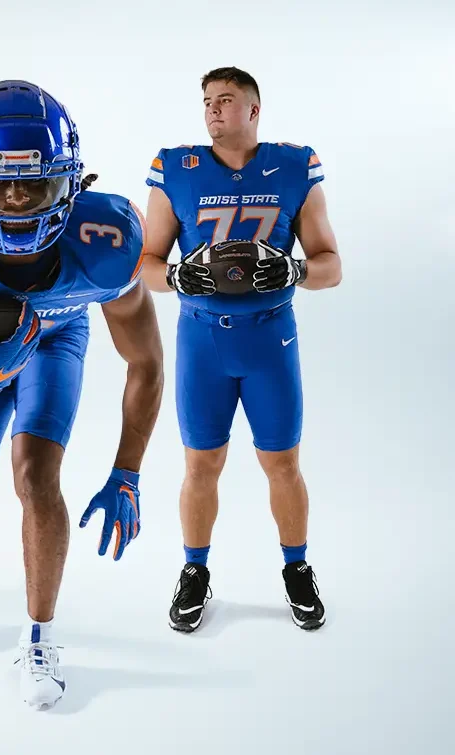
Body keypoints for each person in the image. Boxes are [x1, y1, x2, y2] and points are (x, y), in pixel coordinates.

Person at [0, 80, 164, 709]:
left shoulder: (108, 239)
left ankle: (39, 635)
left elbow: (145, 361)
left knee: (36, 476)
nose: (15, 199)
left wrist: (127, 472)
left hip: (55, 335)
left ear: (69, 183)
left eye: (34, 182)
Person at [141, 67, 342, 632]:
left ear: (254, 110)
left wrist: (294, 268)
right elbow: (147, 265)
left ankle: (296, 568)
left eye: (225, 100)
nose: (212, 109)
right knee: (201, 464)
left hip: (270, 338)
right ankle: (195, 572)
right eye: (207, 100)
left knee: (282, 462)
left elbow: (332, 266)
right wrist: (182, 277)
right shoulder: (176, 168)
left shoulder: (294, 166)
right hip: (201, 339)